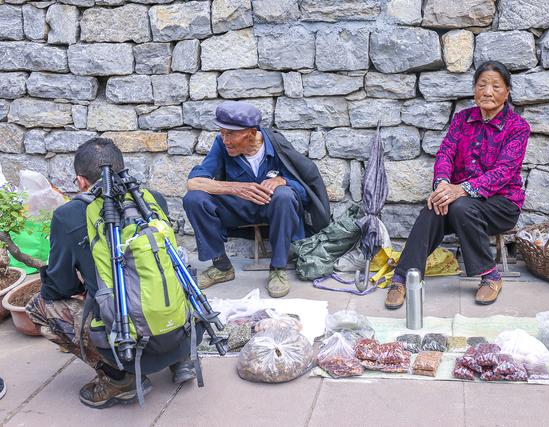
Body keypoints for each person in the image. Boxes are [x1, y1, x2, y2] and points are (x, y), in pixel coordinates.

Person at [26, 138, 197, 409]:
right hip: (178, 325)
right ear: (122, 170)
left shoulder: (69, 215)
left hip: (129, 337)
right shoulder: (152, 199)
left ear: (81, 181)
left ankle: (120, 379)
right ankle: (181, 358)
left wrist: (84, 283)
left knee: (39, 306)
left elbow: (58, 287)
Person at [385, 61, 530, 309]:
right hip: (460, 203)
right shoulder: (463, 119)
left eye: (496, 86)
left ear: (507, 91)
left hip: (501, 205)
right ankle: (404, 277)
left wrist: (460, 189)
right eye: (482, 85)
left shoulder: (518, 127)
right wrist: (442, 184)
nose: (488, 92)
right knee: (435, 207)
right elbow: (446, 154)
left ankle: (490, 276)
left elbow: (503, 172)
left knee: (460, 205)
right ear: (474, 89)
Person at [183, 101, 330, 298]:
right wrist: (237, 188)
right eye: (222, 133)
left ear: (252, 132)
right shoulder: (221, 145)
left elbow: (304, 193)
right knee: (194, 199)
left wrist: (283, 180)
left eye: (231, 134)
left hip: (273, 209)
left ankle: (278, 268)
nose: (225, 140)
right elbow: (194, 183)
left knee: (285, 195)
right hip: (238, 209)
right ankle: (222, 267)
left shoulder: (276, 145)